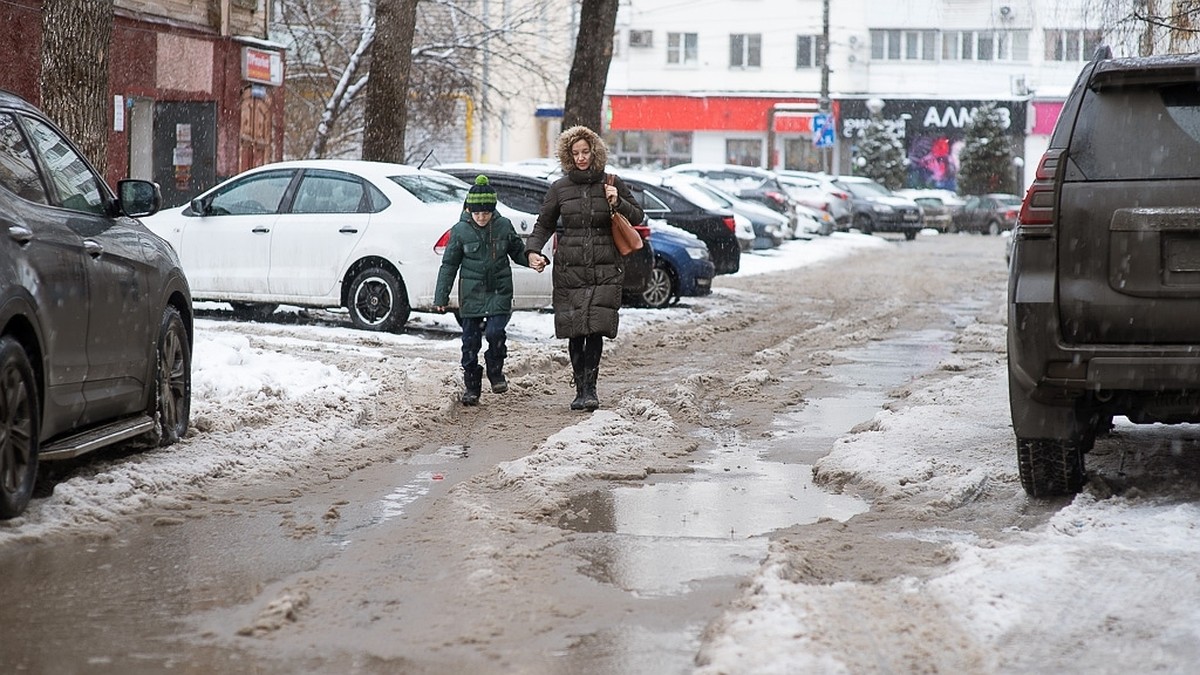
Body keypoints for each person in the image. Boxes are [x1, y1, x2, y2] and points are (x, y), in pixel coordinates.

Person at [524, 125, 644, 411]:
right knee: (576, 330)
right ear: (568, 156)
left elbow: (638, 215)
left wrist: (619, 202)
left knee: (596, 329)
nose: (581, 157)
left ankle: (591, 388)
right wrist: (532, 250)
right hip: (571, 269)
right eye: (575, 153)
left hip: (605, 268)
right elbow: (544, 224)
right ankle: (580, 387)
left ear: (595, 152)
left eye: (585, 152)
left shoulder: (612, 182)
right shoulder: (560, 189)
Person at [434, 175, 536, 406]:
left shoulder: (503, 226)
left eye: (486, 213)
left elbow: (517, 251)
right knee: (470, 342)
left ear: (493, 210)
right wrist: (441, 296)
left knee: (495, 333)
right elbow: (449, 265)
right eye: (477, 213)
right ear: (469, 210)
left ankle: (495, 370)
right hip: (472, 295)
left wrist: (532, 259)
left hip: (499, 291)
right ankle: (472, 387)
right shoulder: (460, 231)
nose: (481, 217)